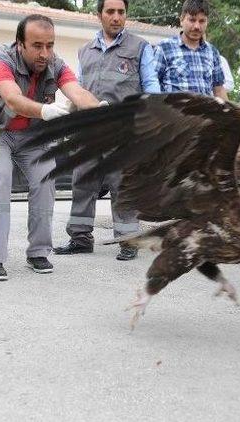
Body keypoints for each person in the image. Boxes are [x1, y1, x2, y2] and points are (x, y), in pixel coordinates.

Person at [0, 14, 102, 281]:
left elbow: (77, 93)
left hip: (33, 136)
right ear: (20, 44)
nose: (45, 53)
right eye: (37, 45)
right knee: (0, 181)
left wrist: (98, 109)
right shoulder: (1, 60)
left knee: (45, 180)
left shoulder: (56, 64)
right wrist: (46, 111)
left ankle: (38, 252)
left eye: (50, 45)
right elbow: (13, 99)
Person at [53, 0, 161, 262]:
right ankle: (80, 238)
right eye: (110, 12)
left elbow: (151, 86)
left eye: (121, 12)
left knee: (121, 184)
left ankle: (128, 240)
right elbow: (77, 89)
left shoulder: (139, 48)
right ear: (99, 15)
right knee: (83, 183)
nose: (116, 17)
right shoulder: (85, 51)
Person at [154, 0, 228, 100]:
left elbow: (218, 89)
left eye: (202, 21)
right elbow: (152, 84)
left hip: (205, 114)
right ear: (181, 20)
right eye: (192, 20)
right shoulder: (164, 48)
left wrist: (228, 114)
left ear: (207, 22)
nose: (197, 26)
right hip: (173, 113)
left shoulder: (212, 52)